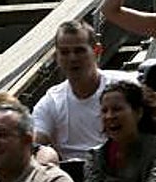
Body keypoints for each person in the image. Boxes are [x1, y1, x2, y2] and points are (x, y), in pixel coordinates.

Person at [33, 20, 138, 162]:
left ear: (97, 51)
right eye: (65, 52)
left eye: (79, 51)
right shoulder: (51, 102)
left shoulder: (125, 86)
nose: (72, 58)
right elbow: (34, 144)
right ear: (56, 57)